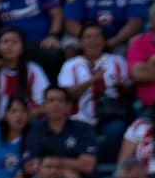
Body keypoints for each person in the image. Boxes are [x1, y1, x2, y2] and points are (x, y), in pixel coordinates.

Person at [55, 22, 130, 161]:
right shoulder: (71, 65)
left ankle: (112, 170)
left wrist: (123, 87)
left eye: (97, 36)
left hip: (111, 116)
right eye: (88, 37)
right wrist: (93, 80)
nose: (93, 40)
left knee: (118, 128)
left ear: (104, 40)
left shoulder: (117, 62)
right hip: (79, 118)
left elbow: (131, 93)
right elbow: (67, 94)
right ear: (81, 42)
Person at [0, 29, 48, 119]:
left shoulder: (33, 70)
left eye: (15, 42)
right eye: (5, 41)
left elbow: (45, 104)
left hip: (28, 122)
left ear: (22, 48)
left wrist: (21, 118)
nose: (9, 45)